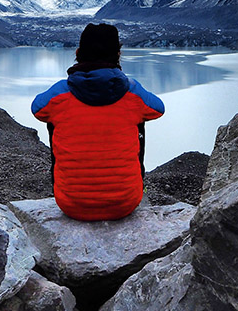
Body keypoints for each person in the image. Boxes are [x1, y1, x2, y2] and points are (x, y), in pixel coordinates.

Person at [31, 23, 164, 221]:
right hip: (125, 203)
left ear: (77, 53)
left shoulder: (59, 93)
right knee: (138, 119)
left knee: (55, 119)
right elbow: (157, 109)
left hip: (70, 204)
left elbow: (38, 110)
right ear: (118, 55)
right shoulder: (132, 92)